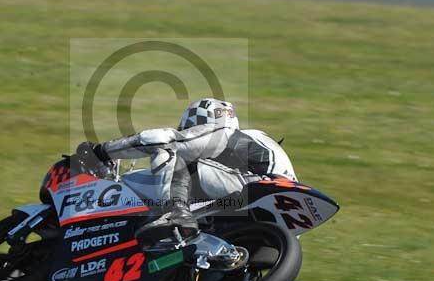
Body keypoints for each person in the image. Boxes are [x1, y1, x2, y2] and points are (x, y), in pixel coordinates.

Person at [76, 98, 297, 242]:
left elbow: (159, 140)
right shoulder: (254, 143)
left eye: (187, 128)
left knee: (170, 152)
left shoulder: (222, 132)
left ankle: (175, 214)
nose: (187, 132)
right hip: (275, 209)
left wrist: (102, 152)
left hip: (256, 186)